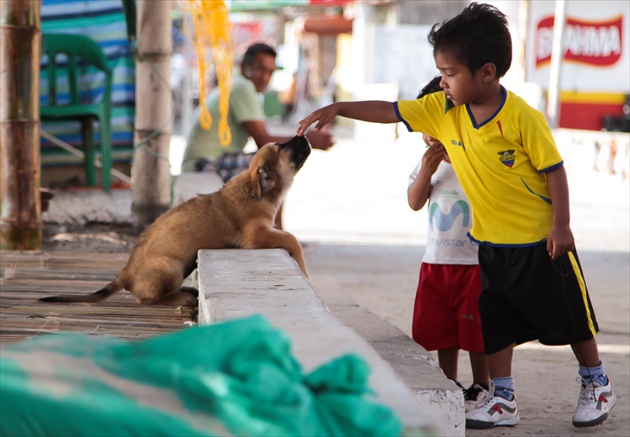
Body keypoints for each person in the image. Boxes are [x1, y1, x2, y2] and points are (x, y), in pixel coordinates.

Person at [296, 2, 616, 430]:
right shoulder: (443, 113)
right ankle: (502, 398)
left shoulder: (522, 117)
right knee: (496, 325)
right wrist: (337, 107)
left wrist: (561, 225)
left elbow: (554, 171)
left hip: (540, 241)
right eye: (441, 73)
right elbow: (390, 110)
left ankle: (596, 382)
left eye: (449, 74)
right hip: (491, 244)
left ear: (486, 72)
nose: (442, 82)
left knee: (570, 316)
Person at [182, 42, 334, 229]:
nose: (265, 77)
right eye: (260, 69)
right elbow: (263, 140)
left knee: (270, 164)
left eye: (270, 72)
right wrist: (307, 138)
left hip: (210, 160)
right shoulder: (242, 87)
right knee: (276, 162)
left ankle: (269, 230)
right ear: (245, 67)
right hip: (204, 163)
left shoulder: (238, 85)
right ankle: (274, 232)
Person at [408, 76, 489, 411]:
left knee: (476, 331)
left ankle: (483, 385)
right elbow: (414, 201)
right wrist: (426, 172)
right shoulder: (427, 162)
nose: (428, 134)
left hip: (474, 262)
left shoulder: (476, 155)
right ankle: (448, 383)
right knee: (442, 330)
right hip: (436, 260)